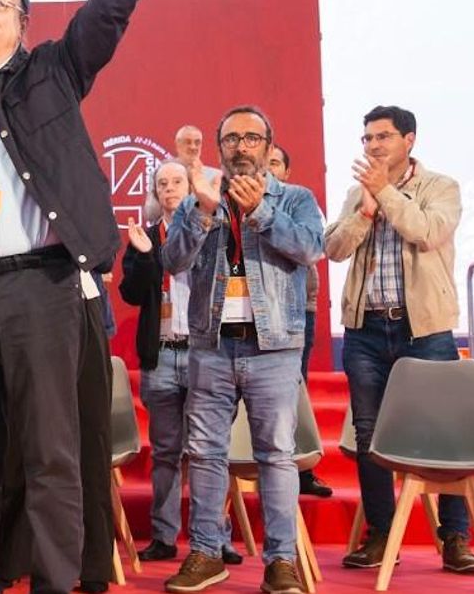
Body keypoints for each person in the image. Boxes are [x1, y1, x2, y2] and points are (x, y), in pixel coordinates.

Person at [0, 0, 188, 592]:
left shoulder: (50, 73)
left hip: (39, 283)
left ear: (23, 23)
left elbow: (105, 17)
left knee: (51, 450)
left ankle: (57, 582)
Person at [160, 105, 322, 593]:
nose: (242, 147)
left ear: (270, 148)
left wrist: (260, 212)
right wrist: (205, 211)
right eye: (232, 139)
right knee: (205, 452)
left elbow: (310, 249)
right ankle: (207, 553)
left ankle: (280, 561)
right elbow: (172, 260)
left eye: (253, 139)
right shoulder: (202, 198)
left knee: (275, 455)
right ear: (220, 149)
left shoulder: (295, 198)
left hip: (272, 348)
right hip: (211, 346)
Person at [325, 105, 474, 573]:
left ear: (409, 140)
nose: (372, 146)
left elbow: (426, 232)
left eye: (383, 137)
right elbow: (333, 248)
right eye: (367, 138)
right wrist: (363, 214)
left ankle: (454, 538)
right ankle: (380, 532)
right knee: (371, 435)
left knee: (444, 433)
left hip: (424, 329)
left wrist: (385, 195)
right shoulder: (359, 193)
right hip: (367, 329)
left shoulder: (441, 187)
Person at [120, 160, 242, 567]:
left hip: (205, 352)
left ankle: (217, 538)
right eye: (162, 184)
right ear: (154, 193)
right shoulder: (146, 236)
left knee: (209, 450)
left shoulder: (211, 228)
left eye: (177, 181)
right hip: (161, 355)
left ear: (191, 187)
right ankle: (164, 536)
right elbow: (133, 293)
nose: (169, 188)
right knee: (167, 451)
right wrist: (145, 256)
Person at [266, 143, 332, 499]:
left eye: (276, 163)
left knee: (295, 393)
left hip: (294, 312)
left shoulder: (300, 202)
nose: (270, 168)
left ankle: (302, 470)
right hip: (249, 317)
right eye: (266, 162)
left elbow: (312, 248)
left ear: (286, 172)